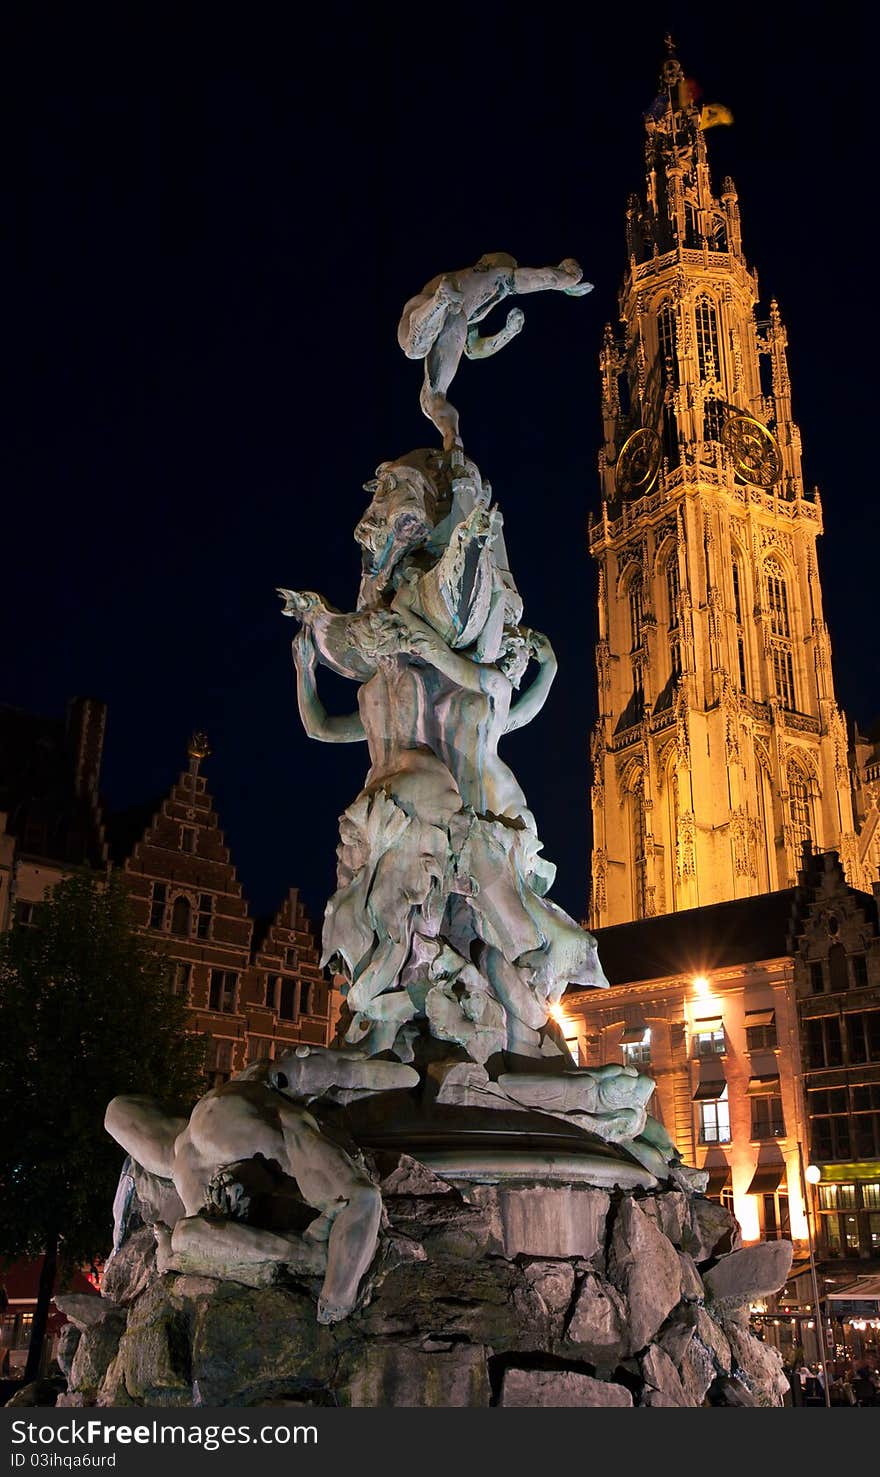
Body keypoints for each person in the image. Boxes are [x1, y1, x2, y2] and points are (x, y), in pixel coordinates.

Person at [105, 1046, 417, 1324]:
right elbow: (361, 1198)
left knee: (185, 1234)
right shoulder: (267, 1141)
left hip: (237, 1120)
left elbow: (362, 1198)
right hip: (237, 1120)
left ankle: (310, 1257)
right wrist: (335, 1296)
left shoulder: (265, 1140)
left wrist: (336, 1296)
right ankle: (309, 1256)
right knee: (186, 1234)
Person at [397, 253, 593, 450]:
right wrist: (568, 278)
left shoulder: (478, 306)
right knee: (414, 350)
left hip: (455, 312)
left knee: (433, 396)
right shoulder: (494, 276)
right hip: (422, 308)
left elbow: (473, 350)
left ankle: (453, 444)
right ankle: (439, 301)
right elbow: (539, 278)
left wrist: (507, 333)